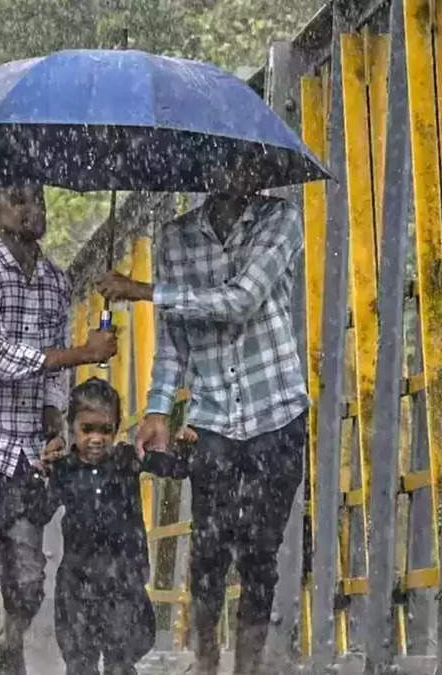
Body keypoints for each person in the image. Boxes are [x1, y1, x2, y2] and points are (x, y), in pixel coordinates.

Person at [96, 192, 309, 675]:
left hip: (274, 412)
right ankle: (207, 661)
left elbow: (241, 300)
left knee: (259, 553)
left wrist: (145, 291)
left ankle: (248, 666)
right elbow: (174, 339)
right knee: (209, 552)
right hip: (212, 418)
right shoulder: (176, 238)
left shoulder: (282, 219)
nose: (236, 176)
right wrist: (156, 410)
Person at [0, 172, 117, 675]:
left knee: (29, 579)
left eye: (39, 198)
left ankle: (10, 646)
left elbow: (56, 377)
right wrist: (85, 351)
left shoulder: (56, 282)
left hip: (21, 447)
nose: (31, 208)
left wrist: (55, 419)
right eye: (17, 199)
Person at [44, 378, 188, 675]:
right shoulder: (64, 469)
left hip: (124, 580)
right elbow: (38, 511)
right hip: (77, 583)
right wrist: (36, 476)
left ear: (117, 428)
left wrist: (182, 448)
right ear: (72, 426)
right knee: (79, 662)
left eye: (105, 430)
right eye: (87, 429)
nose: (96, 439)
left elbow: (172, 467)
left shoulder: (125, 458)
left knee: (120, 660)